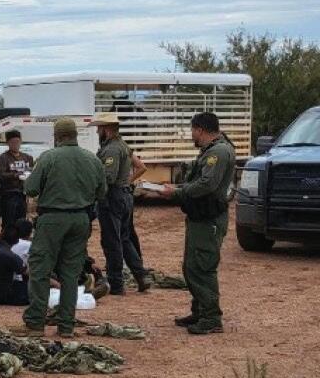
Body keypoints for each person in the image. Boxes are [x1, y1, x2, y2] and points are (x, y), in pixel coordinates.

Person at [21, 118, 107, 338]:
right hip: (81, 219)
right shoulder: (93, 159)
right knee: (71, 273)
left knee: (40, 269)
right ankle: (66, 325)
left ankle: (36, 322)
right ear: (75, 135)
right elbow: (102, 192)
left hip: (52, 218)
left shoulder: (49, 157)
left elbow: (31, 189)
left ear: (57, 136)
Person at [151, 112, 235, 335]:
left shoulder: (218, 152)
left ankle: (211, 317)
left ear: (200, 129)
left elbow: (207, 184)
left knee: (202, 268)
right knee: (191, 267)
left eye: (192, 130)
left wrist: (177, 192)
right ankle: (200, 311)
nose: (191, 135)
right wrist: (177, 190)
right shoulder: (212, 150)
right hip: (201, 217)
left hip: (209, 219)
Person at [92, 113, 150, 295]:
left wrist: (93, 189)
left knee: (112, 241)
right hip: (125, 195)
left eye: (99, 128)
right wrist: (127, 182)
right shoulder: (123, 145)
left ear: (106, 129)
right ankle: (141, 275)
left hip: (112, 198)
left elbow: (108, 177)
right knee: (124, 239)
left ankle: (116, 284)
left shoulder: (111, 149)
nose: (97, 131)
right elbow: (141, 166)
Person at [0, 130, 34, 230]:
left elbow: (32, 171)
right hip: (9, 194)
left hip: (23, 194)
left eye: (17, 142)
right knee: (9, 223)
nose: (15, 144)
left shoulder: (27, 157)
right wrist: (16, 175)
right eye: (12, 142)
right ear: (8, 143)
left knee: (21, 222)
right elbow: (0, 175)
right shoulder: (3, 158)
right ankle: (6, 238)